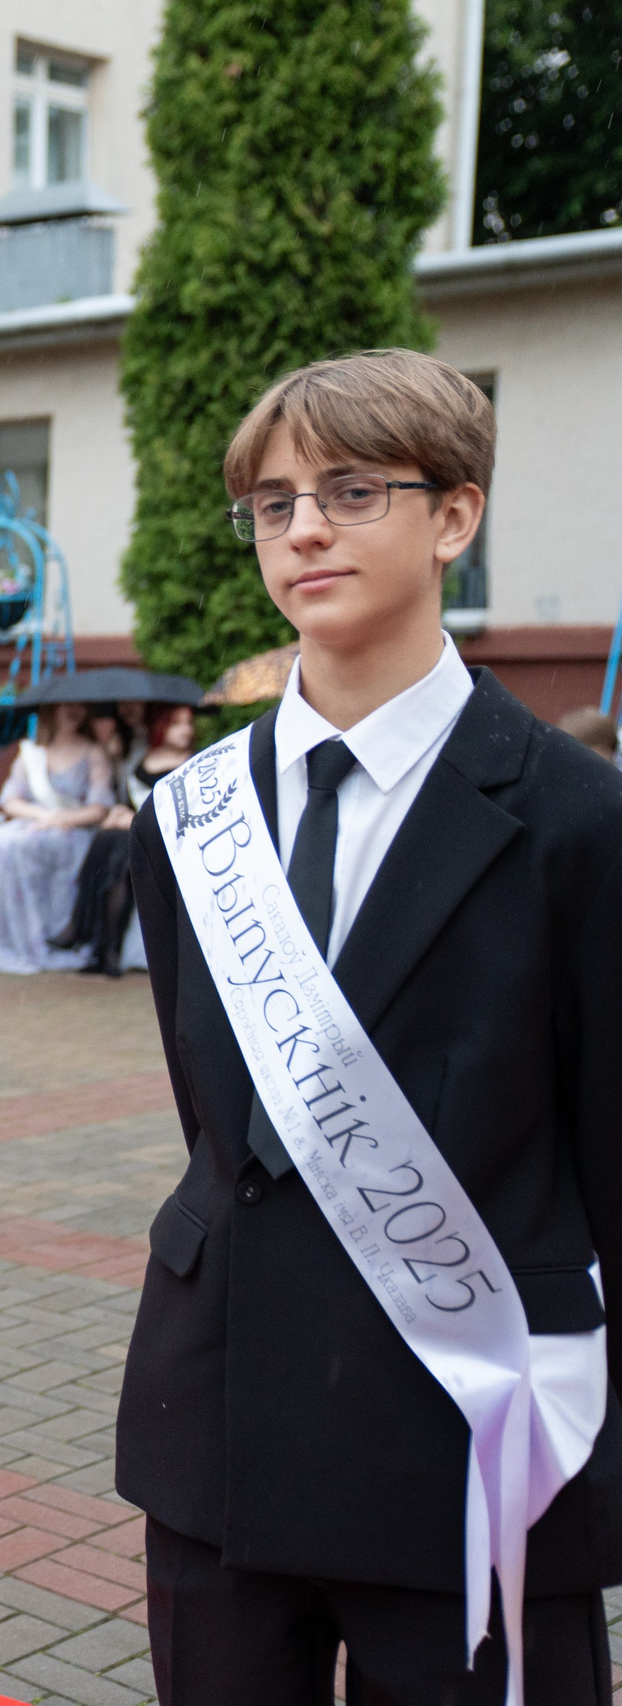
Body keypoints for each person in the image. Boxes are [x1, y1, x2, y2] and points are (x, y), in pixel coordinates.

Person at [121, 348, 622, 1704]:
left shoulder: (579, 819)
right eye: (272, 503)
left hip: (468, 1442)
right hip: (220, 1422)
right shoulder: (187, 815)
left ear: (455, 514)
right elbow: (220, 1117)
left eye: (350, 490)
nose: (304, 530)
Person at [0, 699, 113, 974]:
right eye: (66, 706)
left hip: (74, 829)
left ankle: (35, 935)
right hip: (37, 820)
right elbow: (10, 801)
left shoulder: (93, 753)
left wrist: (61, 819)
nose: (73, 710)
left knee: (21, 846)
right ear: (51, 711)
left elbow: (100, 807)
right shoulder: (32, 752)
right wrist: (42, 817)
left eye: (79, 707)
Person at [52, 701, 196, 976]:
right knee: (106, 838)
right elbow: (134, 802)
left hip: (170, 840)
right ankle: (89, 935)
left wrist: (133, 820)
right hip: (140, 833)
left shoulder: (193, 764)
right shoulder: (144, 759)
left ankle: (103, 946)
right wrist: (121, 812)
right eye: (178, 723)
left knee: (124, 852)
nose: (186, 731)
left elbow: (182, 815)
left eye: (188, 724)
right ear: (161, 726)